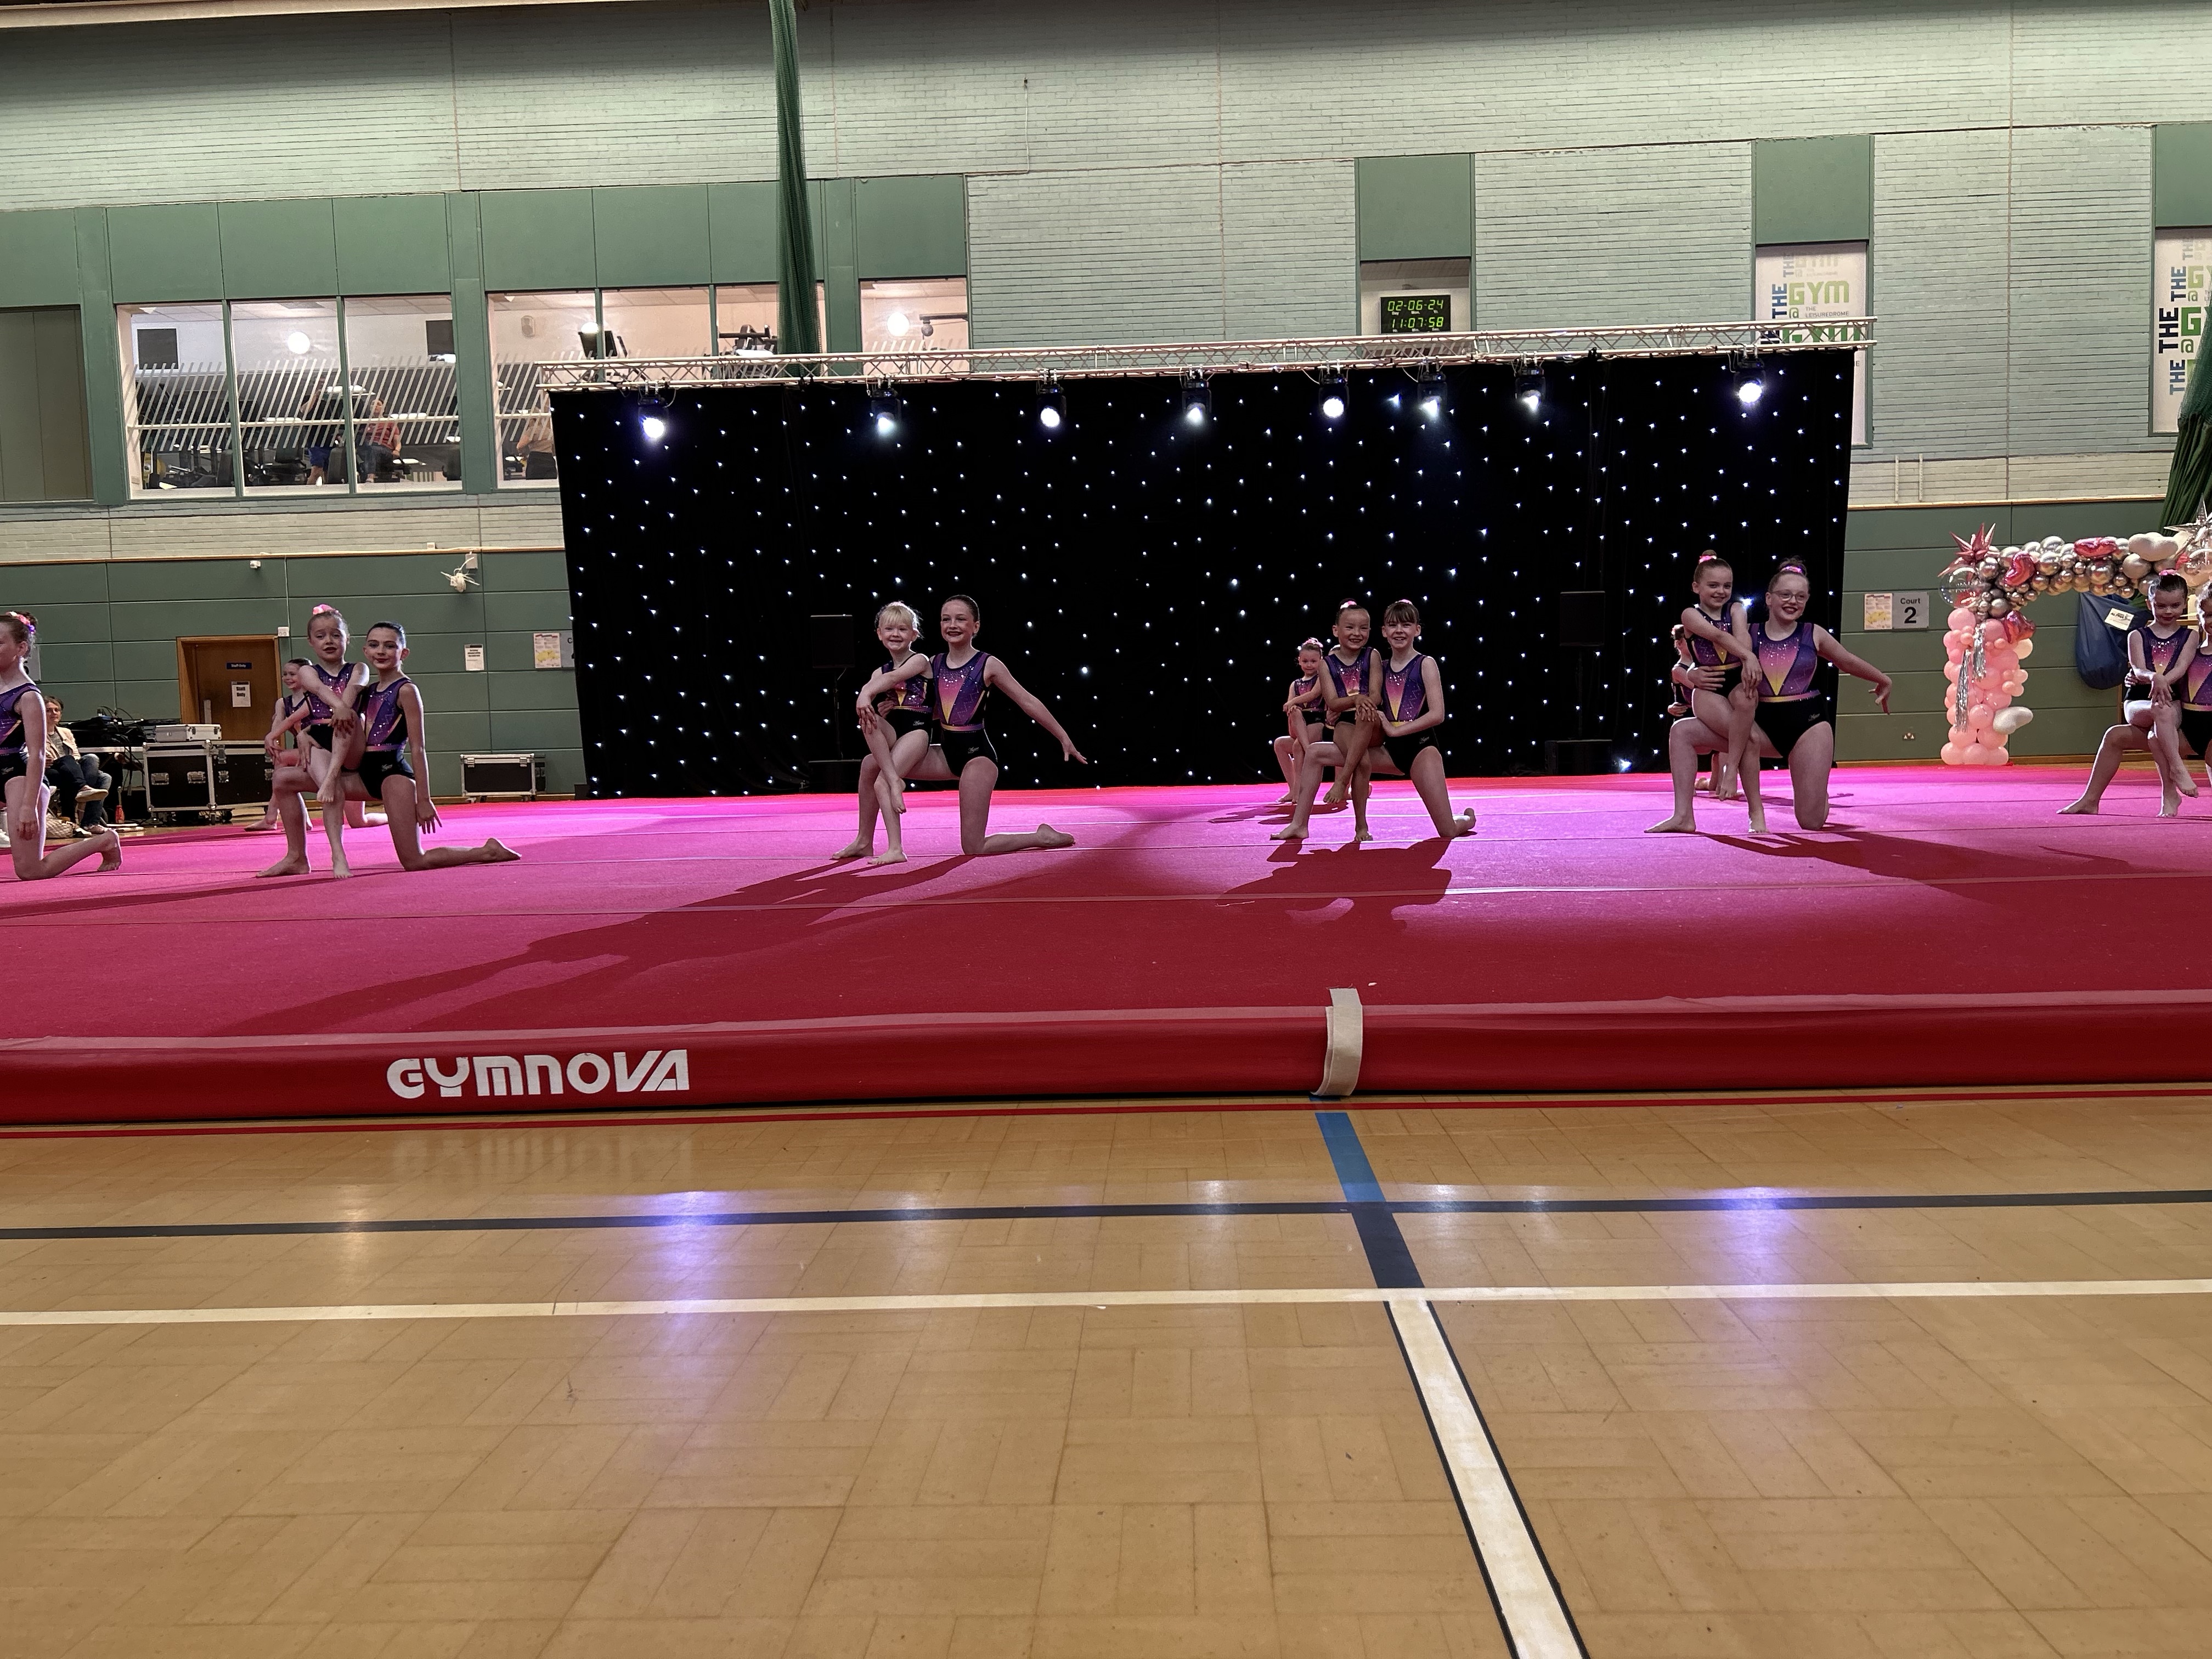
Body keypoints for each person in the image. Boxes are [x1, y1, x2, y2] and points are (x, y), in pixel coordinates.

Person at [1649, 563, 1892, 834]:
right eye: (1785, 595)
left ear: (1807, 601)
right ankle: (1683, 815)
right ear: (1769, 598)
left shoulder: (1813, 632)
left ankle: (1816, 793)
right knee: (1681, 730)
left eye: (1800, 597)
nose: (1792, 601)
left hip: (1807, 726)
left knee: (1810, 822)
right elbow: (1701, 653)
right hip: (1761, 728)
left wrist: (1882, 679)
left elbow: (1845, 660)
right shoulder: (1746, 633)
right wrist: (1691, 674)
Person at [850, 595, 1084, 859]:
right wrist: (894, 707)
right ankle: (864, 841)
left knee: (974, 846)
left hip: (977, 757)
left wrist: (1063, 736)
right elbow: (936, 710)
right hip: (945, 755)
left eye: (961, 619)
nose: (953, 625)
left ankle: (1040, 837)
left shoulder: (988, 664)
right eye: (946, 619)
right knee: (871, 763)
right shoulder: (934, 663)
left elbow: (1027, 701)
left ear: (976, 626)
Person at [305, 621, 519, 872]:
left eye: (389, 646)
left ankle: (486, 851)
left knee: (414, 861)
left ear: (403, 653)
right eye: (374, 645)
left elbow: (418, 748)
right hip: (363, 774)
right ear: (365, 651)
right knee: (285, 780)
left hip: (393, 775)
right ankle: (297, 857)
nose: (381, 651)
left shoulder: (406, 690)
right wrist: (305, 735)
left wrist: (424, 799)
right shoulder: (367, 691)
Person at [2062, 572, 2200, 818]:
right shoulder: (2137, 635)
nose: (2168, 611)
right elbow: (2138, 669)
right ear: (2149, 604)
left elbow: (2181, 668)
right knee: (2158, 710)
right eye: (2161, 606)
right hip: (2139, 703)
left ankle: (2166, 792)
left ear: (2184, 603)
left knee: (2125, 733)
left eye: (2175, 605)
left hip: (2171, 704)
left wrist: (2162, 680)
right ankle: (2177, 770)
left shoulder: (2190, 636)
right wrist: (2153, 677)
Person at [0, 612, 121, 879]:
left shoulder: (27, 696)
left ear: (21, 648)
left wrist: (28, 806)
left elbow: (37, 754)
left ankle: (105, 841)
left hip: (19, 776)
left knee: (30, 870)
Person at [258, 605, 368, 877]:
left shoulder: (359, 668)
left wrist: (340, 710)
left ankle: (330, 777)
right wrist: (278, 733)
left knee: (348, 717)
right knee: (283, 778)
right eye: (321, 636)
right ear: (310, 642)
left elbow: (352, 691)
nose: (329, 641)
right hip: (321, 741)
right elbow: (317, 692)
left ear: (347, 639)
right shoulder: (309, 672)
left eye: (336, 635)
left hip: (353, 744)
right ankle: (322, 856)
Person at [1361, 600, 1476, 840]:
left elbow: (1437, 715)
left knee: (1447, 831)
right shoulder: (1380, 668)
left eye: (1406, 625)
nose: (1399, 631)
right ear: (1384, 631)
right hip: (1389, 752)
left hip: (1421, 749)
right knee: (1334, 754)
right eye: (1393, 625)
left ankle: (1466, 819)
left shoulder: (1426, 664)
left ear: (1417, 630)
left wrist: (1394, 731)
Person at [834, 602, 936, 864]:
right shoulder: (879, 671)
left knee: (880, 780)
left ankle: (896, 848)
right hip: (895, 730)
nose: (895, 634)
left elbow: (894, 679)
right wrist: (880, 710)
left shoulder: (920, 660)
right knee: (869, 729)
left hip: (917, 731)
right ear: (879, 634)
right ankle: (864, 841)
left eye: (903, 629)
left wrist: (865, 694)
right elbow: (884, 684)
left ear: (914, 634)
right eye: (889, 629)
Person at [1274, 602, 1379, 841]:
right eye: (1350, 627)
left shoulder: (1371, 656)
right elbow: (1332, 702)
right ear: (1336, 630)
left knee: (1365, 714)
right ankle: (1304, 824)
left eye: (1363, 628)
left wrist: (1361, 701)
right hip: (1344, 722)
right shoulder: (1327, 664)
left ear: (1370, 631)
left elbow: (1376, 697)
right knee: (1358, 760)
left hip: (1369, 719)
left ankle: (1343, 783)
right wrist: (1357, 699)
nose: (1357, 633)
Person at [1678, 554, 1760, 799]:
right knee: (1750, 737)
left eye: (1727, 586)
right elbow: (1719, 636)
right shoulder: (1690, 614)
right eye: (1713, 585)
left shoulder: (1736, 608)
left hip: (1736, 678)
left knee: (1747, 701)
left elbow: (1742, 635)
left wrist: (1746, 657)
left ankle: (1730, 769)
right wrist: (1749, 656)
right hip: (1708, 686)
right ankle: (1724, 774)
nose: (1721, 591)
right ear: (1696, 587)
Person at [1272, 639, 1330, 803]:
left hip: (1316, 722)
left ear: (1321, 661)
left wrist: (1293, 702)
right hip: (1297, 724)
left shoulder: (1322, 678)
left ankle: (1300, 791)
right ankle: (1293, 789)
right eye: (1305, 661)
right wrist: (1292, 705)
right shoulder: (1295, 684)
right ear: (1299, 661)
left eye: (1313, 661)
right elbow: (1289, 706)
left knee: (1297, 746)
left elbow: (1314, 694)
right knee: (1279, 743)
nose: (1309, 665)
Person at [42, 696, 110, 832]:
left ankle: (89, 823)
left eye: (57, 710)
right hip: (51, 769)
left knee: (95, 764)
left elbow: (76, 754)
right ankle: (83, 792)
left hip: (72, 768)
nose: (54, 713)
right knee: (67, 760)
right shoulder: (35, 733)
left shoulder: (66, 732)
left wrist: (75, 764)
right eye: (49, 710)